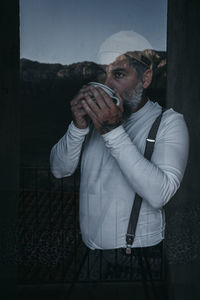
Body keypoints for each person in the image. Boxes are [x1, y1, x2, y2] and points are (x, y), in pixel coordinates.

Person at [50, 50, 189, 278]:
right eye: (104, 76)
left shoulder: (168, 122)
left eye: (119, 74)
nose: (107, 85)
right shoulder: (94, 121)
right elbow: (59, 169)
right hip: (90, 250)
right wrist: (77, 127)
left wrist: (111, 130)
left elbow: (160, 194)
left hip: (136, 256)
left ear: (145, 79)